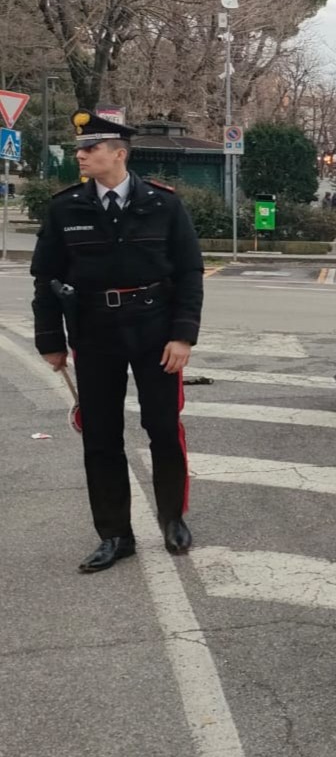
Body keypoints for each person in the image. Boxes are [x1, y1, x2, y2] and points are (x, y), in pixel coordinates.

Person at [30, 110, 203, 572]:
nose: (81, 155)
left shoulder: (164, 204)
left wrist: (183, 335)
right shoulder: (66, 207)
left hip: (155, 332)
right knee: (101, 438)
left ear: (119, 154)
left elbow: (189, 273)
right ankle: (115, 534)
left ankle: (172, 519)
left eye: (91, 148)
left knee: (164, 429)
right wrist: (50, 340)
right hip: (94, 333)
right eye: (80, 149)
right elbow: (44, 278)